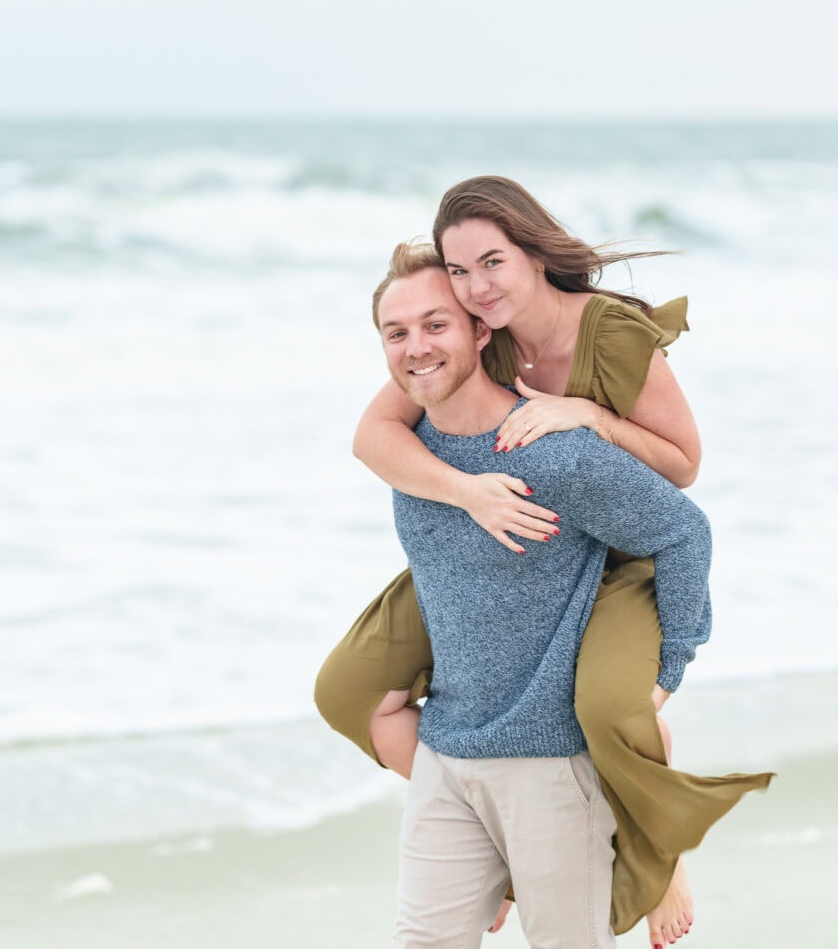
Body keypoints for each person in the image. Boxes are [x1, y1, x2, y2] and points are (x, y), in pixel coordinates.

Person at [315, 178, 771, 944]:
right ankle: (487, 855)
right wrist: (467, 494)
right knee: (347, 691)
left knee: (609, 707)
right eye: (460, 273)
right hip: (476, 528)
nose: (476, 288)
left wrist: (592, 417)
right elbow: (373, 437)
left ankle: (653, 845)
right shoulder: (461, 345)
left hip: (618, 550)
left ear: (531, 253)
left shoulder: (602, 341)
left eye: (490, 265)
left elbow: (684, 473)